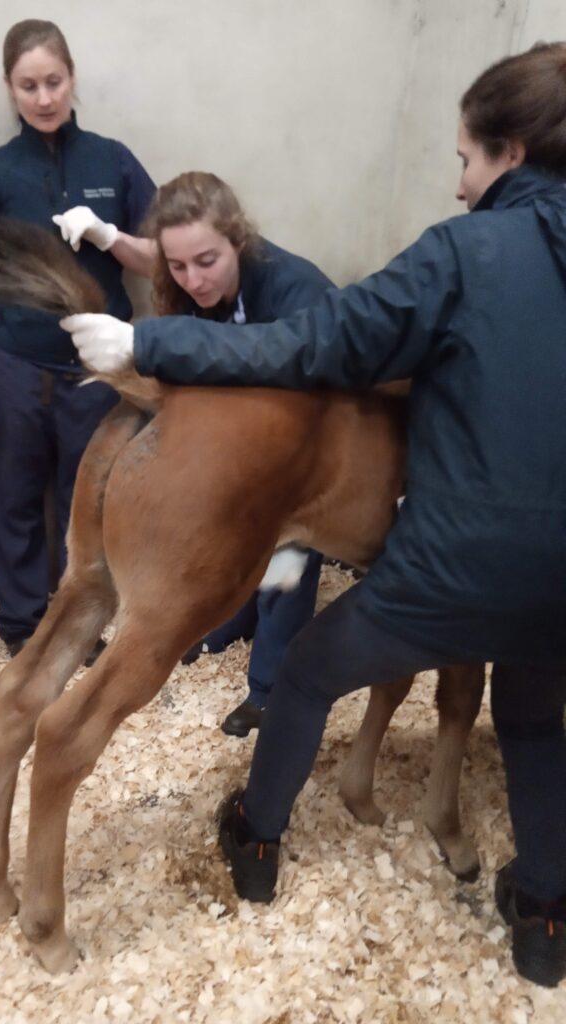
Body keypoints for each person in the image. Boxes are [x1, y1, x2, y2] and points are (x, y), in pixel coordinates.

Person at [60, 44, 566, 988]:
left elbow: (324, 340)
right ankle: (543, 917)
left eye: (466, 159)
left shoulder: (465, 250)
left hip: (450, 567)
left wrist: (150, 340)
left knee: (304, 672)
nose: (459, 186)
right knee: (536, 721)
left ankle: (256, 843)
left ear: (516, 150)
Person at [54, 171, 333, 734]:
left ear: (239, 239)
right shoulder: (185, 290)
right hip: (243, 437)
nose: (193, 279)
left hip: (314, 442)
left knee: (288, 553)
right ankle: (231, 619)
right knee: (227, 537)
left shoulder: (295, 288)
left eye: (206, 260)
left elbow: (303, 377)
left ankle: (270, 687)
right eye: (178, 266)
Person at [0, 20, 156, 657]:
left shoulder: (113, 160)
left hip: (96, 370)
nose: (44, 98)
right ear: (10, 89)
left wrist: (108, 237)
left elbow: (161, 259)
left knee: (85, 502)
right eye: (28, 85)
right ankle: (21, 627)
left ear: (72, 77)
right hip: (13, 362)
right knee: (11, 499)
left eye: (54, 81)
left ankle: (81, 625)